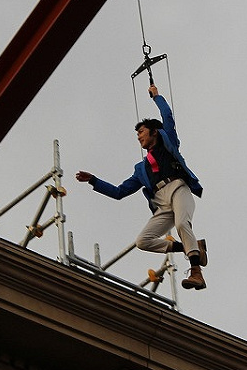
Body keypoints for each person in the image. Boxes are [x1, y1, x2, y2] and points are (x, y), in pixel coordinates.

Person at [75, 83, 208, 290]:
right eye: (137, 134)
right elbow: (119, 192)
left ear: (154, 132)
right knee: (142, 241)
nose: (139, 137)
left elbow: (168, 116)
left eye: (142, 132)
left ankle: (197, 272)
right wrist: (94, 180)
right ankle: (191, 248)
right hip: (162, 203)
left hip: (178, 189)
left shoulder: (168, 142)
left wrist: (156, 96)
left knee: (182, 225)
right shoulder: (141, 169)